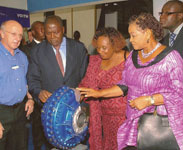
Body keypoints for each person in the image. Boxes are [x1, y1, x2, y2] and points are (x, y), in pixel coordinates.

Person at [78, 13, 183, 150]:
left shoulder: (170, 58)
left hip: (159, 128)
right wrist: (99, 93)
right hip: (134, 125)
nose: (130, 40)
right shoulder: (133, 56)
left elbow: (179, 94)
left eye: (134, 35)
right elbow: (124, 85)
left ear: (147, 33)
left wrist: (150, 100)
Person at [27, 15, 88, 148]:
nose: (53, 36)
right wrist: (38, 92)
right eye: (48, 33)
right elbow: (32, 79)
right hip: (52, 113)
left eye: (56, 32)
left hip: (76, 108)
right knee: (53, 145)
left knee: (77, 143)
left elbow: (86, 76)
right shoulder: (37, 51)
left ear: (63, 29)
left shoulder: (78, 48)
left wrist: (83, 93)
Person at [79, 27, 129, 150]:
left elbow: (130, 85)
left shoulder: (128, 59)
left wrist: (99, 93)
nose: (100, 51)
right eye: (98, 47)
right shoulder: (95, 60)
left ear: (115, 44)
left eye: (104, 48)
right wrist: (76, 94)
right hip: (103, 115)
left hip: (124, 116)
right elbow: (86, 83)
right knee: (108, 145)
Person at [0, 20, 34, 150]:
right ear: (2, 33)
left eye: (20, 35)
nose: (18, 38)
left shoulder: (22, 56)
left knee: (20, 146)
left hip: (20, 112)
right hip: (2, 112)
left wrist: (30, 99)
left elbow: (24, 83)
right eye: (13, 34)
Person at [23, 21, 46, 150]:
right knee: (37, 124)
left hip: (50, 91)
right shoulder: (26, 49)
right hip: (35, 92)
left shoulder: (51, 46)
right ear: (33, 32)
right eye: (41, 29)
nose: (44, 31)